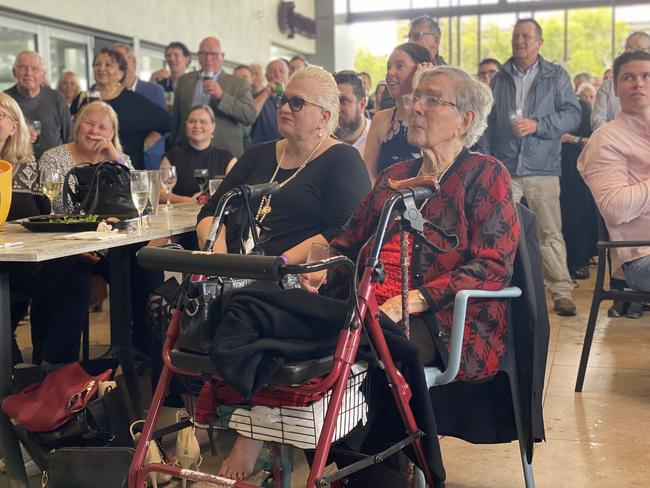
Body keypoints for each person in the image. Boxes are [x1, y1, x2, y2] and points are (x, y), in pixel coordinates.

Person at [207, 66, 518, 486]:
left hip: (440, 319)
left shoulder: (486, 174)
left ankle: (372, 471)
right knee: (256, 309)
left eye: (430, 99)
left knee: (351, 345)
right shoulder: (394, 177)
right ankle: (342, 458)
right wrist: (316, 270)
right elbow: (347, 241)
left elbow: (493, 266)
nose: (414, 108)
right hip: (362, 305)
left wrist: (414, 298)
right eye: (414, 98)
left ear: (465, 119)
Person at [196, 67, 371, 481]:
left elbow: (341, 234)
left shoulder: (342, 160)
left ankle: (247, 432)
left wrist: (269, 268)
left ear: (326, 116)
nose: (285, 107)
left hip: (299, 281)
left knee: (248, 305)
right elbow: (210, 212)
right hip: (236, 273)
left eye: (297, 102)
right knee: (167, 302)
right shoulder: (258, 154)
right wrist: (218, 262)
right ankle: (216, 413)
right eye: (283, 99)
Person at [480, 18, 581, 316]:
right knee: (500, 231)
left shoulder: (556, 76)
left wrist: (539, 125)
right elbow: (488, 123)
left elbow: (572, 114)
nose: (519, 41)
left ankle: (561, 291)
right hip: (506, 168)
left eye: (526, 36)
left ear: (539, 41)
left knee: (549, 232)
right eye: (516, 36)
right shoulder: (500, 78)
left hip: (542, 168)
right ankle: (498, 288)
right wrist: (488, 162)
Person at [0, 92, 92, 367]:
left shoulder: (28, 169)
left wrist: (72, 249)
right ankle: (11, 374)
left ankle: (55, 372)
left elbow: (46, 218)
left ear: (15, 127)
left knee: (74, 273)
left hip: (23, 266)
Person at [578, 49, 650, 300]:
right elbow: (615, 208)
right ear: (615, 88)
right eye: (629, 77)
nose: (639, 83)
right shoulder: (606, 139)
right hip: (641, 256)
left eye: (646, 76)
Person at [70, 48, 171, 170]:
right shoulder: (83, 98)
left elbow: (167, 122)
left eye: (108, 64)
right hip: (84, 168)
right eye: (97, 64)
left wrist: (146, 143)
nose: (101, 68)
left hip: (123, 170)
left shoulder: (135, 101)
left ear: (121, 73)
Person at [172, 36, 256, 157]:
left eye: (214, 54)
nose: (208, 58)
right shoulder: (185, 80)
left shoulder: (238, 83)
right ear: (198, 56)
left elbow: (249, 115)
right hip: (187, 151)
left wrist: (222, 96)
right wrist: (175, 143)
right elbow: (177, 118)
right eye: (204, 53)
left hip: (225, 153)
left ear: (223, 57)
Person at [364, 43, 432, 185]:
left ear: (421, 71)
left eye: (399, 66)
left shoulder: (433, 118)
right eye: (389, 67)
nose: (390, 73)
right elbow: (368, 175)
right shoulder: (381, 120)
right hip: (384, 202)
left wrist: (418, 90)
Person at [161, 104, 236, 204]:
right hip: (180, 216)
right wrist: (190, 201)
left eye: (203, 122)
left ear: (213, 126)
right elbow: (160, 194)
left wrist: (204, 198)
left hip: (215, 217)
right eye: (192, 121)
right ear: (185, 125)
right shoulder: (171, 157)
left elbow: (237, 191)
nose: (197, 125)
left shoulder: (227, 158)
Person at [4, 50, 72, 159]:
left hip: (55, 167)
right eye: (22, 67)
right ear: (14, 72)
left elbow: (70, 137)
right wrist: (19, 135)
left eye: (35, 69)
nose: (28, 73)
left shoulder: (57, 97)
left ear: (43, 75)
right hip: (15, 166)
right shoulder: (4, 100)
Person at [560, 86, 596, 282]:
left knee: (577, 213)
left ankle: (579, 262)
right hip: (547, 165)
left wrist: (569, 139)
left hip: (575, 166)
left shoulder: (581, 106)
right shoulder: (544, 107)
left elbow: (592, 139)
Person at [113, 44, 168, 169]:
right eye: (114, 62)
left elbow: (164, 125)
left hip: (147, 156)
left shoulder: (154, 90)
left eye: (121, 60)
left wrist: (144, 145)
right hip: (118, 156)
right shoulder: (109, 93)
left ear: (133, 62)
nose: (117, 65)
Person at [379, 15, 447, 111]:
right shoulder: (397, 72)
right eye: (409, 37)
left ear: (435, 41)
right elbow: (386, 106)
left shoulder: (449, 76)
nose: (410, 41)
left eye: (417, 36)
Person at [592, 31, 650, 130]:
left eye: (639, 49)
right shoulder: (608, 86)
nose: (633, 53)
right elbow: (598, 118)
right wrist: (615, 137)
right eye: (629, 48)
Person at [250, 59, 290, 146]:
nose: (277, 74)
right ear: (267, 76)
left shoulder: (294, 99)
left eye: (281, 71)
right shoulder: (258, 96)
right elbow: (249, 115)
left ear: (288, 74)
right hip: (262, 148)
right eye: (273, 71)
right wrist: (266, 93)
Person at [334, 70, 370, 156]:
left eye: (343, 101)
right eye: (332, 101)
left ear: (362, 104)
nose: (336, 108)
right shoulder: (321, 141)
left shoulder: (378, 139)